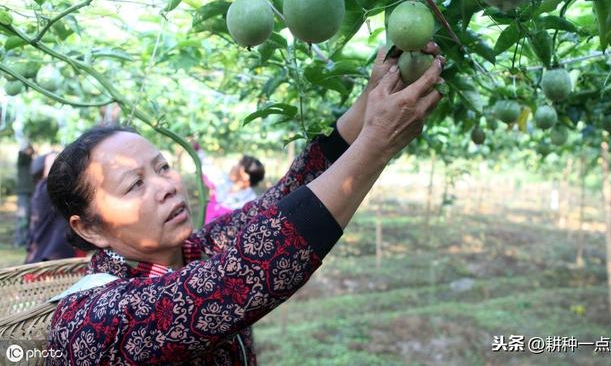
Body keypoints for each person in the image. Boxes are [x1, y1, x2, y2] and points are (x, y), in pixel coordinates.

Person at [45, 45, 445, 365]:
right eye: (134, 184)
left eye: (163, 167)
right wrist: (376, 145)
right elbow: (243, 275)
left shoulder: (194, 251)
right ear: (89, 228)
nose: (167, 187)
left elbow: (286, 199)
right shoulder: (90, 321)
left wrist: (371, 99)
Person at [25, 152, 79, 263]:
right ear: (44, 169)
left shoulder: (41, 190)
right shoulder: (47, 189)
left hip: (45, 257)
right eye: (55, 162)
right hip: (50, 264)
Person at [204, 155, 266, 222]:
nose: (234, 166)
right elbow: (207, 167)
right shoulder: (223, 180)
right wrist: (198, 150)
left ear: (245, 176)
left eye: (239, 164)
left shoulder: (249, 201)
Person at [14, 142, 35, 247]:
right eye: (29, 149)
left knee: (30, 216)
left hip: (31, 192)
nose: (30, 152)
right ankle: (19, 240)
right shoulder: (22, 159)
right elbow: (22, 154)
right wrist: (26, 148)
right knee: (22, 216)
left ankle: (26, 239)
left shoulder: (31, 161)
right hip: (23, 192)